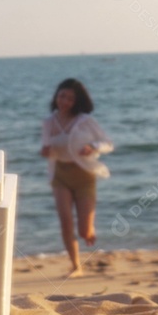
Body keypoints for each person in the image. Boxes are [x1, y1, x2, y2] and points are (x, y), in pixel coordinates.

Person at [40, 78, 113, 277]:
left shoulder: (85, 121)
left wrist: (93, 147)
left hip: (84, 176)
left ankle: (89, 229)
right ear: (56, 96)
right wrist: (45, 151)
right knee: (65, 221)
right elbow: (46, 148)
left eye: (70, 98)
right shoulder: (48, 122)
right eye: (62, 96)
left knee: (83, 231)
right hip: (60, 175)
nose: (65, 101)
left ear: (77, 101)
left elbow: (107, 143)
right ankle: (76, 266)